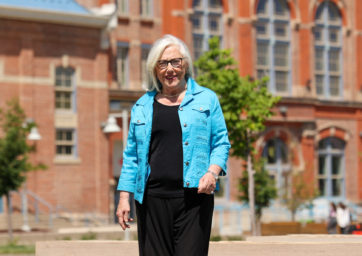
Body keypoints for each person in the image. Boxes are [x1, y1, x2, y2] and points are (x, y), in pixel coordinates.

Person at [116, 34, 230, 256]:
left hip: (194, 200)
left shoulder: (207, 99)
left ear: (185, 64)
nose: (170, 69)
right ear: (155, 69)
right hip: (151, 201)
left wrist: (212, 172)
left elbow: (221, 142)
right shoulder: (142, 106)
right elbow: (131, 156)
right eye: (163, 63)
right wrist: (123, 198)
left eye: (175, 62)